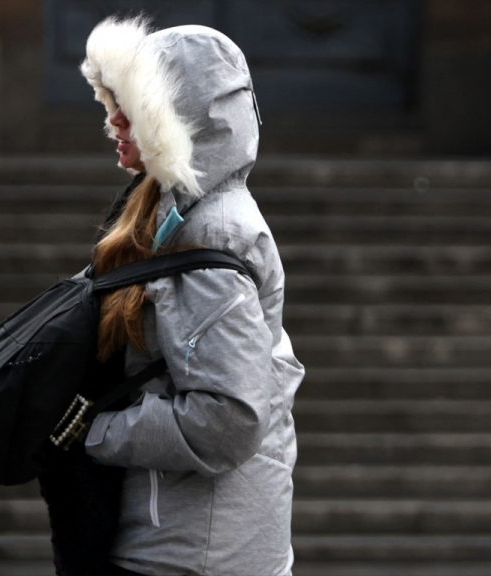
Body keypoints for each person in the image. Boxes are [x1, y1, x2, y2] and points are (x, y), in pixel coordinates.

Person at [77, 15, 304, 576]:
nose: (115, 121)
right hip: (187, 540)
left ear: (174, 117)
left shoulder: (215, 230)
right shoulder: (179, 214)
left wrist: (95, 430)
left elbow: (228, 416)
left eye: (132, 105)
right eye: (113, 103)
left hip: (199, 552)